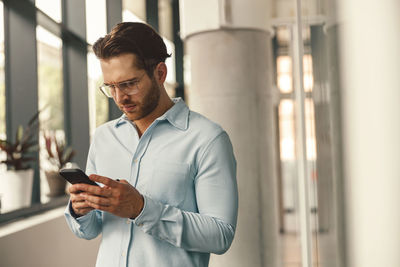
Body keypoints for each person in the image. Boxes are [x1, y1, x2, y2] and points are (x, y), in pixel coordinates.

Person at [64, 22, 238, 267]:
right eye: (111, 86)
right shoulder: (103, 138)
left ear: (160, 73)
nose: (120, 97)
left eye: (129, 84)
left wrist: (142, 208)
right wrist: (80, 210)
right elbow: (90, 230)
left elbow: (221, 235)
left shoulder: (207, 139)